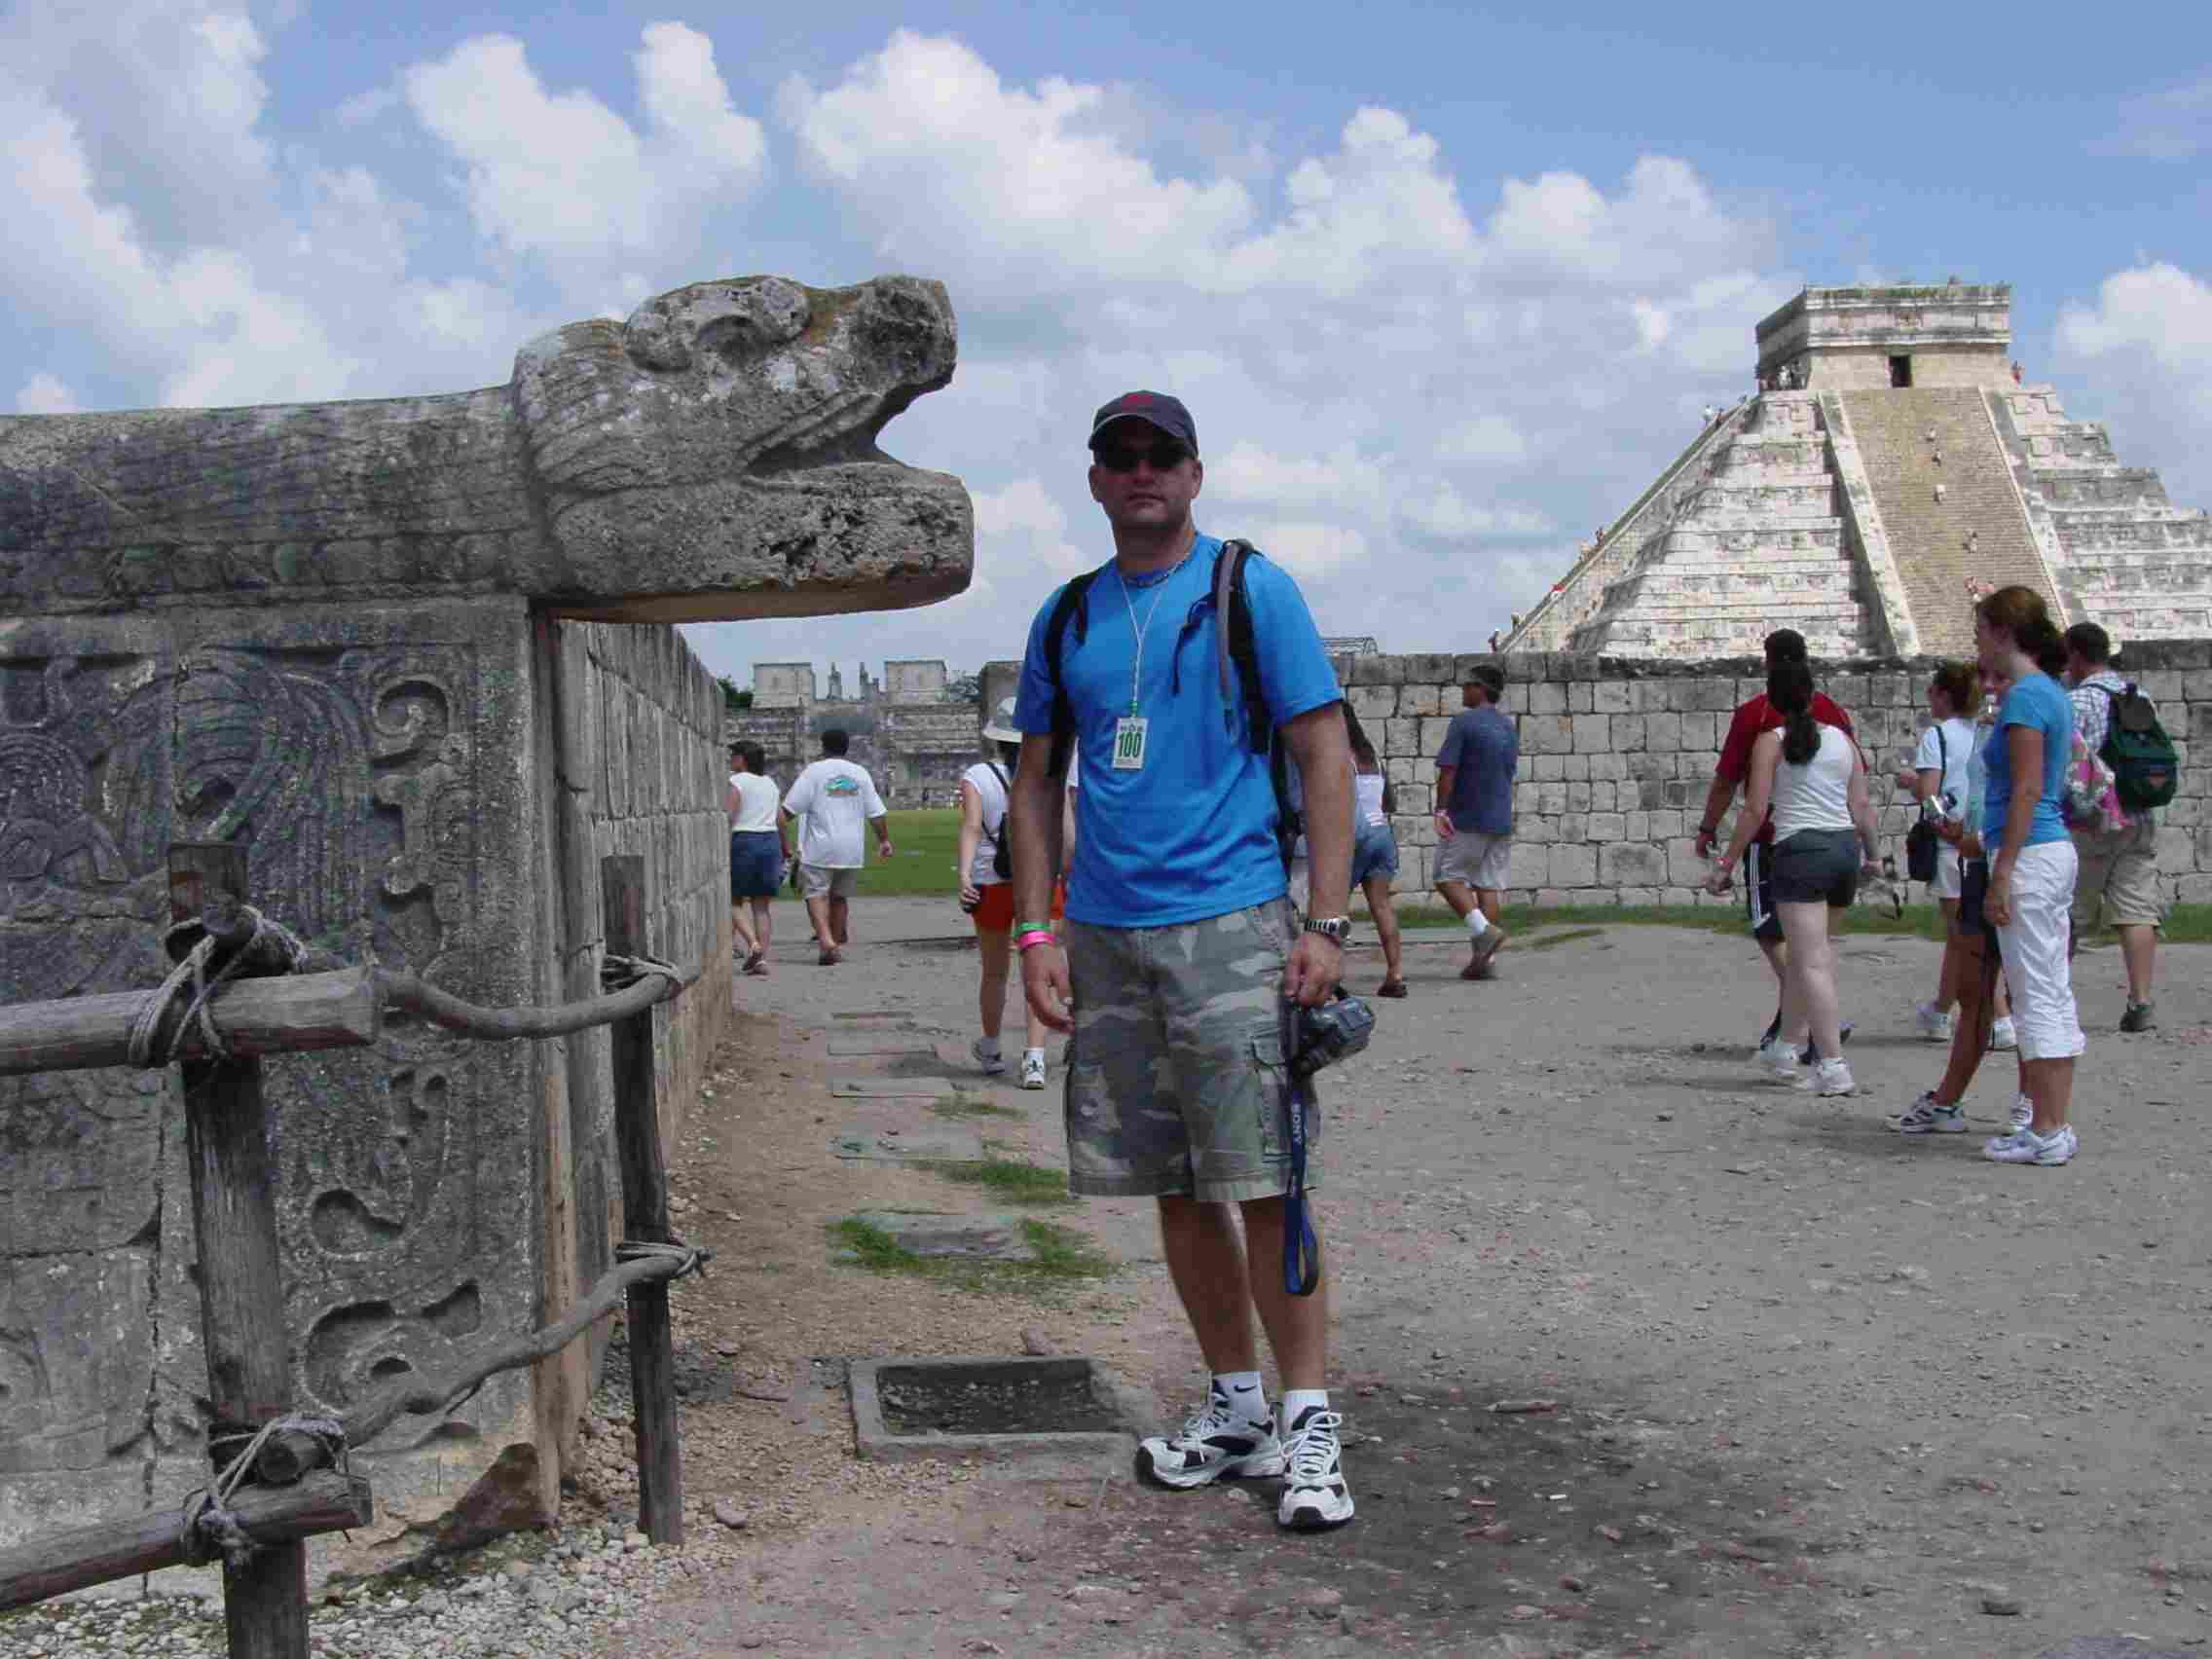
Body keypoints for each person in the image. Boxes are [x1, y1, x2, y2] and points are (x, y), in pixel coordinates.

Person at [1007, 389, 1356, 1531]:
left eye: (1162, 456)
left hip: (1232, 921)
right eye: (1122, 456)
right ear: (1098, 480)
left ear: (1194, 475)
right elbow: (1036, 783)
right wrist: (1036, 930)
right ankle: (1237, 1400)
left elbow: (1321, 754)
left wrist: (1326, 921)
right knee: (1171, 1184)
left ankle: (1308, 1422)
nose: (1142, 472)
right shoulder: (1068, 617)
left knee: (1265, 1183)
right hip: (1107, 933)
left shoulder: (1250, 589)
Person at [1708, 661, 1879, 1095]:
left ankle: (1832, 1066)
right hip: (1843, 851)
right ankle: (1785, 1048)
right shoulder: (1843, 740)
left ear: (1775, 699)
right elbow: (1861, 806)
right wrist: (1874, 857)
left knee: (1811, 962)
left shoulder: (1771, 742)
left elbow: (1754, 810)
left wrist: (1727, 862)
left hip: (1800, 852)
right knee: (1811, 956)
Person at [1973, 586, 2084, 1165]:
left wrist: (2002, 872)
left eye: (1980, 633)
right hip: (2047, 851)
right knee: (2048, 990)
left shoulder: (2024, 700)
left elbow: (2025, 789)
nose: (1976, 646)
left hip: (2029, 854)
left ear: (2002, 632)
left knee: (2034, 994)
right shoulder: (2050, 693)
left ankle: (2046, 1127)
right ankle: (2051, 1122)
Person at [2063, 622, 2162, 1032]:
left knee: (2067, 912)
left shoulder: (2078, 701)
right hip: (2139, 814)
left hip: (2093, 820)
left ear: (2076, 656)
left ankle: (2047, 998)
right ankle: (2140, 1001)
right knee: (2137, 907)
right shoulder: (2139, 696)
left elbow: (2070, 766)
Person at [957, 698, 1060, 1088]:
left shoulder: (978, 775)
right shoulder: (1051, 771)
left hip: (991, 879)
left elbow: (970, 828)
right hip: (1040, 881)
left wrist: (964, 875)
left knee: (995, 972)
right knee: (1039, 969)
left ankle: (992, 1046)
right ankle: (1034, 1058)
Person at [1896, 663, 1979, 1039]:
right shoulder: (1984, 730)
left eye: (1932, 690)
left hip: (1952, 843)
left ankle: (1990, 1015)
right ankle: (1943, 1010)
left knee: (1961, 934)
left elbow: (1931, 796)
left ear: (1945, 694)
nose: (1928, 697)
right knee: (1966, 933)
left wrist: (1913, 782)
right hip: (1983, 836)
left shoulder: (1938, 736)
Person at [780, 728, 891, 967]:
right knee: (839, 898)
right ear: (847, 746)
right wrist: (884, 840)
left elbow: (788, 810)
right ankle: (836, 944)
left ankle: (826, 942)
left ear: (823, 746)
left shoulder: (814, 772)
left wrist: (776, 832)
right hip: (851, 849)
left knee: (816, 895)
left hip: (820, 846)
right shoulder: (859, 773)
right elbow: (877, 813)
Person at [1433, 665, 1517, 980]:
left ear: (1480, 689)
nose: (1462, 690)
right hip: (1500, 816)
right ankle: (1485, 962)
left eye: (1467, 685)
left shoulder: (1463, 723)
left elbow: (1449, 769)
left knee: (1447, 878)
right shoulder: (1508, 727)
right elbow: (1509, 771)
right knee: (1487, 884)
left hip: (1468, 815)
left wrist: (1442, 810)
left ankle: (1485, 932)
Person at [725, 743, 789, 976]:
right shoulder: (769, 783)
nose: (731, 759)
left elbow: (730, 815)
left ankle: (753, 944)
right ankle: (762, 958)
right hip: (769, 841)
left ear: (742, 759)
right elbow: (780, 818)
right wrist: (786, 847)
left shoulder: (738, 781)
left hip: (745, 840)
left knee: (732, 899)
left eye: (734, 756)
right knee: (761, 905)